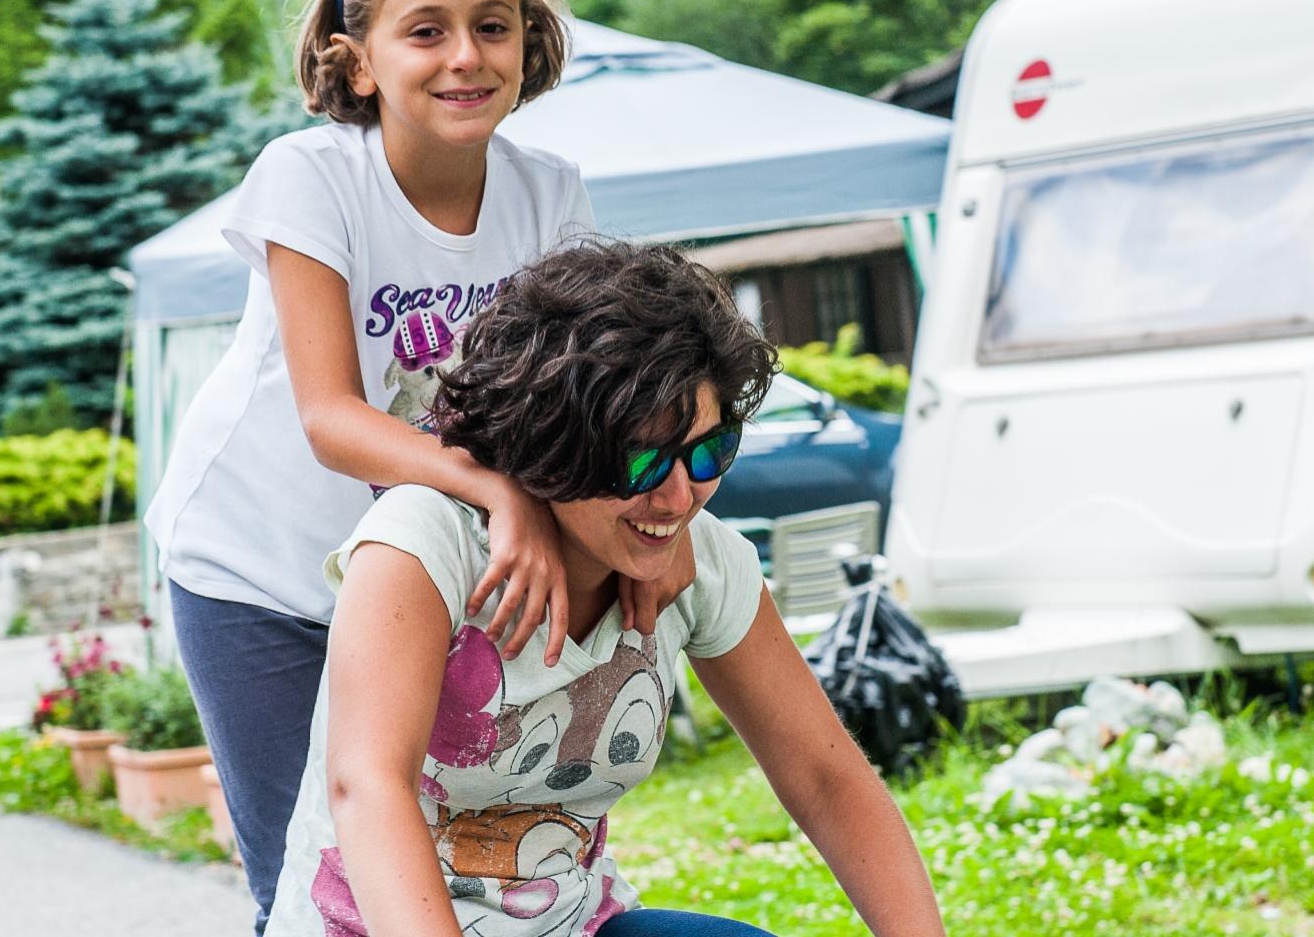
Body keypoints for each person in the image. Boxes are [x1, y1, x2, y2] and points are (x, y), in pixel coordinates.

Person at [144, 0, 692, 933]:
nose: (465, 56)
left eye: (492, 25)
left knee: (431, 861)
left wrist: (662, 521)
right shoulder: (312, 179)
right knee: (310, 882)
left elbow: (577, 402)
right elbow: (332, 418)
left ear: (529, 41)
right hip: (260, 573)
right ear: (357, 64)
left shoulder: (547, 193)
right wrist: (496, 490)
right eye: (426, 30)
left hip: (411, 574)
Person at [263, 240, 947, 937]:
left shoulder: (700, 562)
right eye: (643, 461)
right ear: (549, 446)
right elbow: (368, 789)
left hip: (570, 924)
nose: (680, 496)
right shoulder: (423, 543)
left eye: (710, 450)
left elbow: (825, 779)